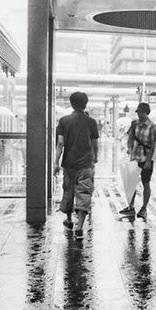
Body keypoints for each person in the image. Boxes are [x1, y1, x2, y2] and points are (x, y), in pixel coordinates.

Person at [53, 91, 99, 238]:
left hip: (69, 163)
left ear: (72, 103)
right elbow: (95, 144)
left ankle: (68, 220)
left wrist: (56, 162)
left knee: (69, 191)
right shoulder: (91, 122)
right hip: (85, 164)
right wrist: (94, 159)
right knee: (84, 193)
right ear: (85, 104)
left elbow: (60, 143)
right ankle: (79, 227)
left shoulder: (64, 121)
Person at [119, 102, 156, 219]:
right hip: (134, 157)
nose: (139, 114)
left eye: (141, 112)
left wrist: (148, 161)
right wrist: (130, 149)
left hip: (146, 158)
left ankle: (144, 208)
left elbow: (153, 144)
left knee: (146, 183)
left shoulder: (152, 127)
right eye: (138, 112)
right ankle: (130, 206)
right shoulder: (134, 123)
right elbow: (130, 137)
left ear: (147, 113)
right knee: (131, 183)